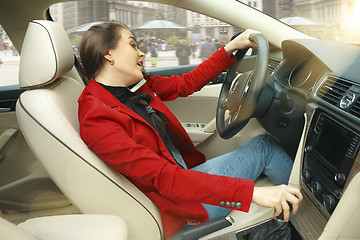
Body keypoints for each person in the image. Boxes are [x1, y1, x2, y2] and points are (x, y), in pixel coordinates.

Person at [78, 21, 302, 239]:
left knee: (262, 145)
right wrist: (253, 193)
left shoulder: (134, 88)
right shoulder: (97, 117)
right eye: (133, 45)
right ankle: (313, 217)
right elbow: (164, 178)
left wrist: (230, 48)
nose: (142, 53)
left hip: (185, 179)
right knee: (265, 148)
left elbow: (187, 82)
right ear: (109, 54)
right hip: (181, 206)